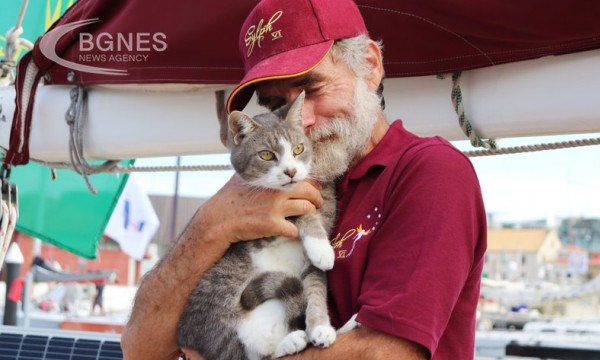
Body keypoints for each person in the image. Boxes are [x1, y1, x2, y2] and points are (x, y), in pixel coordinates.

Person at [121, 0, 487, 359]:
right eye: (274, 103)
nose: (300, 119)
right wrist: (209, 228)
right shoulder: (258, 193)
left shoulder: (430, 173)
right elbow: (141, 349)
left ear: (370, 67)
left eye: (312, 88)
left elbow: (382, 353)